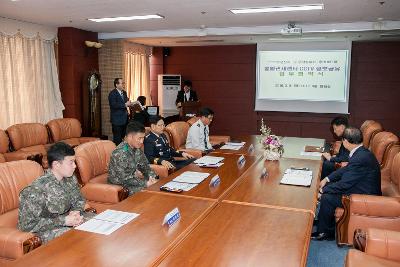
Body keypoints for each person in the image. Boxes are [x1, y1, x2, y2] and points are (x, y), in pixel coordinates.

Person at [312, 127, 381, 241]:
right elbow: (346, 170)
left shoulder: (360, 157)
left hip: (364, 196)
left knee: (327, 197)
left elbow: (344, 184)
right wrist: (327, 179)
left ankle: (325, 232)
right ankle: (323, 221)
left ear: (346, 141)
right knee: (329, 188)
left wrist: (322, 190)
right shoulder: (361, 152)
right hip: (361, 187)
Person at [18, 142, 95, 244]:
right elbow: (27, 226)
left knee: (98, 221)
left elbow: (79, 199)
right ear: (56, 165)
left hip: (68, 220)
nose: (75, 166)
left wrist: (76, 211)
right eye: (71, 162)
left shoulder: (70, 178)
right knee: (75, 236)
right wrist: (64, 221)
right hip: (45, 231)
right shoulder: (35, 190)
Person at [108, 121, 158, 196]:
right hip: (120, 187)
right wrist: (145, 183)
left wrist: (152, 177)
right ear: (130, 137)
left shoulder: (137, 149)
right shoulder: (120, 153)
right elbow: (124, 178)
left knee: (156, 187)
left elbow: (145, 167)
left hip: (133, 182)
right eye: (139, 138)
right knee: (148, 193)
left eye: (143, 138)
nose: (142, 141)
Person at [109, 78, 132, 145]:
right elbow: (113, 105)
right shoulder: (112, 93)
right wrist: (125, 104)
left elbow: (125, 103)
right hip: (117, 120)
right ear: (116, 85)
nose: (123, 85)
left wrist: (129, 104)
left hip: (125, 119)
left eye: (123, 83)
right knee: (117, 139)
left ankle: (125, 153)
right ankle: (118, 154)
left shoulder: (124, 93)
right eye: (122, 83)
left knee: (125, 138)